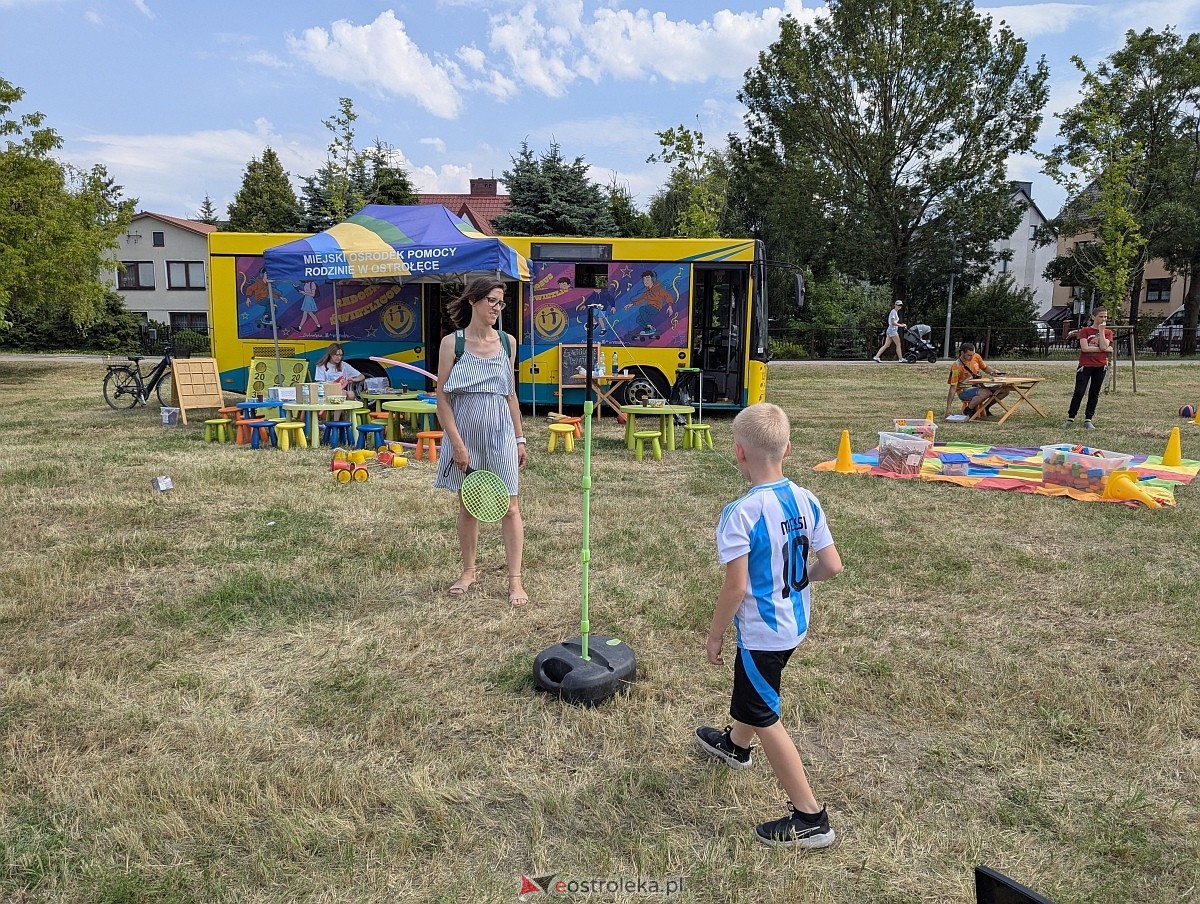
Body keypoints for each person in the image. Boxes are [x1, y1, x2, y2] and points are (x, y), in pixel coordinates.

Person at [694, 402, 843, 849]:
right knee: (755, 691)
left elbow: (735, 588)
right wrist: (798, 580)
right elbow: (831, 565)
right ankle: (735, 746)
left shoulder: (742, 512)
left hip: (762, 634)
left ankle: (811, 817)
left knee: (765, 714)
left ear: (738, 453)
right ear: (789, 449)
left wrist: (716, 632)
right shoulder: (806, 497)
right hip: (794, 627)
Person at [434, 278, 529, 607]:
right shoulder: (452, 343)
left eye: (500, 303)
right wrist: (457, 444)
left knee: (511, 507)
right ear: (474, 300)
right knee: (468, 506)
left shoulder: (508, 342)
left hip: (501, 431)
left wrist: (519, 438)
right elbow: (442, 399)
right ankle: (469, 571)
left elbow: (511, 394)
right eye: (491, 300)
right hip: (465, 432)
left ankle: (515, 580)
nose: (496, 307)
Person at [1063, 307, 1113, 429]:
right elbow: (1085, 348)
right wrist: (1104, 349)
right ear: (1093, 317)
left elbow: (1104, 344)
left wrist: (1101, 332)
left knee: (1094, 393)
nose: (1103, 319)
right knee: (1079, 391)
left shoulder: (1108, 332)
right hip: (1085, 365)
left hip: (1100, 366)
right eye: (1101, 316)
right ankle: (1070, 418)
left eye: (1105, 316)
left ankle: (1088, 419)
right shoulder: (1085, 331)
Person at [944, 341, 1009, 419]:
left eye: (973, 354)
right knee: (986, 392)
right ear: (962, 353)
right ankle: (968, 410)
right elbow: (953, 388)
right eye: (969, 355)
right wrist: (948, 407)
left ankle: (986, 407)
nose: (971, 357)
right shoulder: (956, 367)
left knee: (1004, 390)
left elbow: (985, 368)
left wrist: (992, 372)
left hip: (979, 385)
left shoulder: (976, 357)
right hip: (964, 390)